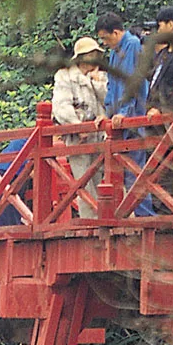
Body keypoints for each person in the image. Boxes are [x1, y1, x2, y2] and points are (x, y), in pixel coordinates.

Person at [95, 10, 153, 215]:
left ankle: (145, 213)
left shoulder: (132, 45)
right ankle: (132, 213)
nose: (104, 42)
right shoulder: (113, 52)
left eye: (105, 37)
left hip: (133, 114)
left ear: (117, 32)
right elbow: (112, 86)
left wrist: (125, 113)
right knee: (123, 167)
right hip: (120, 115)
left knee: (135, 167)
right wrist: (108, 113)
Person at [53, 36, 108, 218]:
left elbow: (108, 101)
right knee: (83, 180)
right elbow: (61, 106)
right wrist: (77, 126)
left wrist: (98, 83)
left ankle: (109, 216)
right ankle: (89, 220)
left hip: (100, 135)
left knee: (105, 178)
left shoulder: (100, 74)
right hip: (78, 136)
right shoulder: (65, 75)